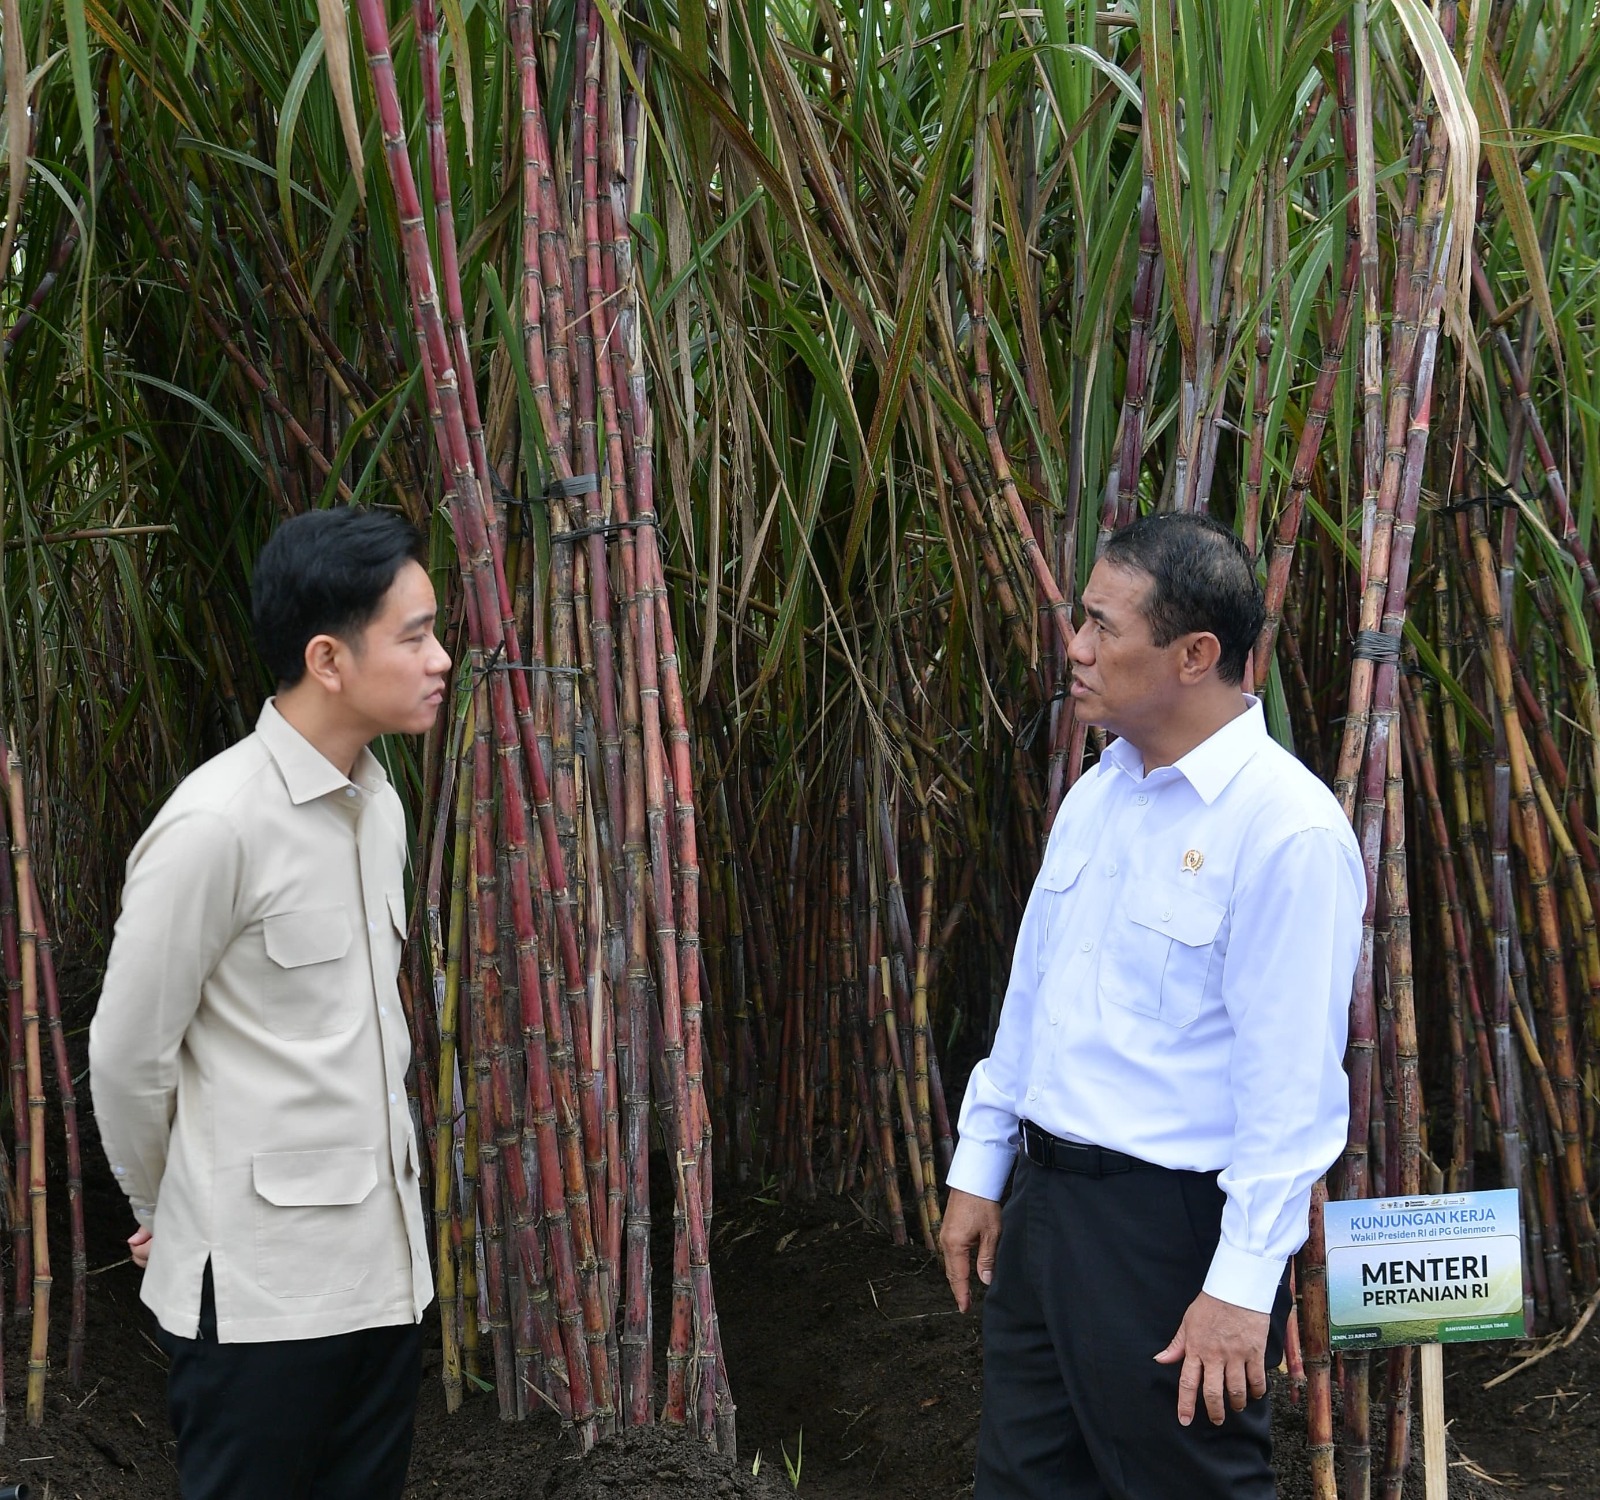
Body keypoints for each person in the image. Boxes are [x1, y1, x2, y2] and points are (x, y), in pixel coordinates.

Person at [940, 510, 1363, 1499]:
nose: (1075, 650)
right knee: (1023, 1482)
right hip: (1045, 1211)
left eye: (1100, 626)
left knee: (1180, 1484)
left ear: (1193, 653)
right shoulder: (1101, 791)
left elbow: (1291, 1092)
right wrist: (981, 1164)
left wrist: (1235, 1288)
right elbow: (1031, 999)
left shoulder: (1285, 830)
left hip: (1162, 1233)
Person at [89, 506, 452, 1499]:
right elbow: (127, 1057)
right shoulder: (215, 825)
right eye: (415, 635)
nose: (442, 658)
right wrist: (168, 1207)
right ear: (328, 658)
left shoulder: (378, 802)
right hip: (258, 1300)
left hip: (381, 1281)